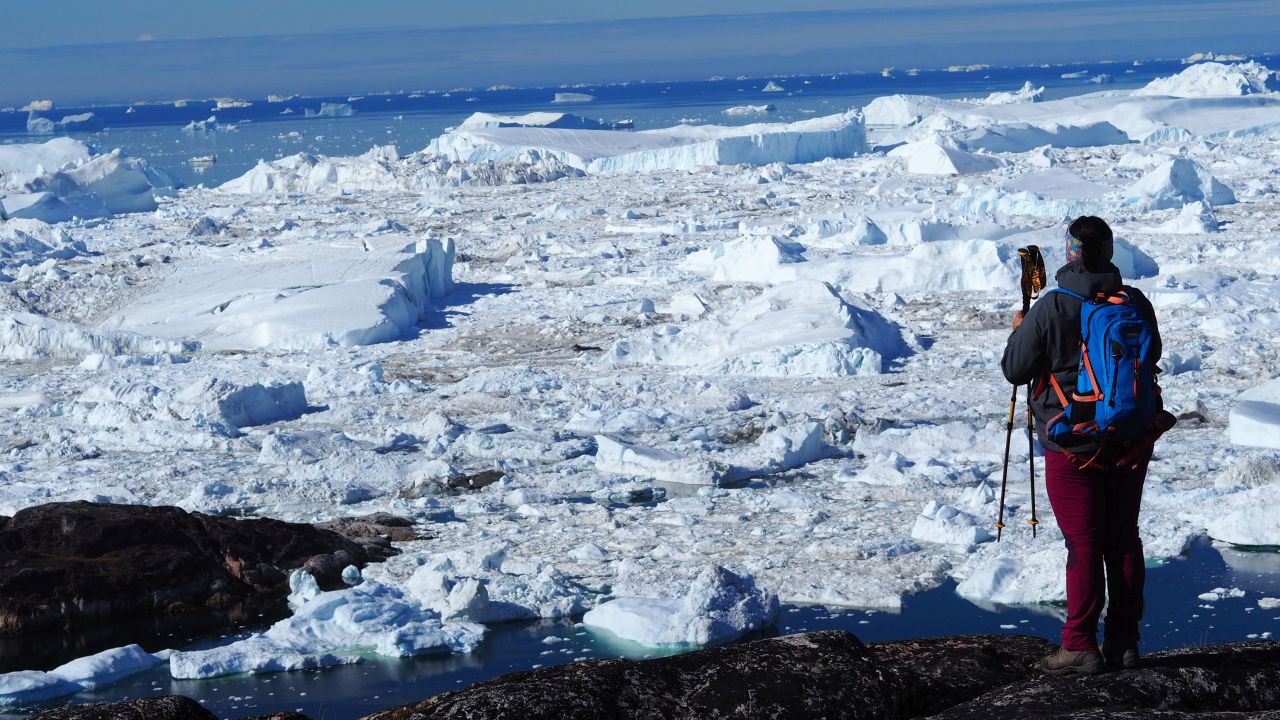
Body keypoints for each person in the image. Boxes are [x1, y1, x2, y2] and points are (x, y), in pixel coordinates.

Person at [1001, 216, 1165, 675]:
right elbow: (1149, 357)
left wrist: (1020, 328)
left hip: (1071, 443)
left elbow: (1015, 369)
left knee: (1085, 544)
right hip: (1130, 439)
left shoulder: (1052, 306)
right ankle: (1124, 643)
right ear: (1110, 251)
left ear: (1070, 252)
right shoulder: (1133, 301)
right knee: (1124, 538)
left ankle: (1078, 646)